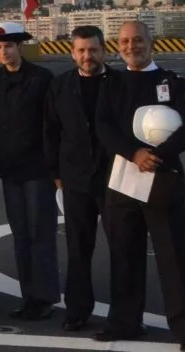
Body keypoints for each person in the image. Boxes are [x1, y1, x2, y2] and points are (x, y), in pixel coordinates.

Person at [94, 20, 185, 351]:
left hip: (163, 179)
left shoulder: (172, 83)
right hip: (123, 181)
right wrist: (134, 153)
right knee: (124, 255)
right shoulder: (110, 83)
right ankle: (125, 322)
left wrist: (157, 154)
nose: (132, 46)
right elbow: (103, 126)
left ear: (150, 42)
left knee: (175, 258)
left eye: (138, 40)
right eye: (126, 41)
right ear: (118, 46)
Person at [0, 21, 57, 321]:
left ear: (19, 47)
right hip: (11, 168)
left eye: (8, 46)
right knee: (20, 234)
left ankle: (45, 297)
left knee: (41, 234)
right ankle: (29, 296)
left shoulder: (42, 79)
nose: (3, 52)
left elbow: (53, 126)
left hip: (38, 167)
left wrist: (56, 167)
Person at [44, 24, 112, 332]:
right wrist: (56, 174)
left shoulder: (119, 83)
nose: (88, 55)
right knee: (78, 249)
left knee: (123, 249)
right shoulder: (60, 87)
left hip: (114, 180)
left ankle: (125, 311)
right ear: (73, 54)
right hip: (75, 180)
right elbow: (50, 132)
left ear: (104, 51)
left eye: (93, 49)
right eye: (82, 50)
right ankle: (77, 309)